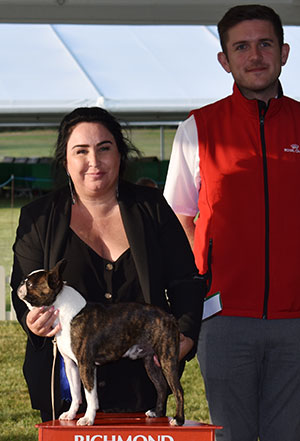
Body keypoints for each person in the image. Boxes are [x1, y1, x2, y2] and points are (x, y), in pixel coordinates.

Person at [11, 107, 205, 422]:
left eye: (104, 148)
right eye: (81, 151)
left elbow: (185, 281)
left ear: (120, 154)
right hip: (66, 395)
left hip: (143, 384)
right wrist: (31, 321)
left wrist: (184, 334)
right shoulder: (38, 217)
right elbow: (22, 285)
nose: (94, 161)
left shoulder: (152, 208)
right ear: (66, 162)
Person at [164, 4, 300, 441]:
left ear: (284, 52)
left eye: (265, 45)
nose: (254, 55)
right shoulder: (198, 128)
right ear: (225, 60)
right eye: (241, 46)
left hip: (297, 318)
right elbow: (177, 219)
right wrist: (203, 286)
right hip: (223, 319)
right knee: (232, 435)